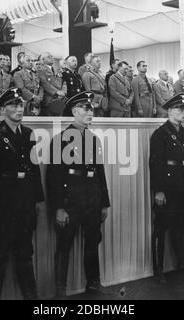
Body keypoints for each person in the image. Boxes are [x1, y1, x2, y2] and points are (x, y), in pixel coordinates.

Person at [0, 88, 44, 300]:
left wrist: (38, 198)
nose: (19, 109)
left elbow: (34, 169)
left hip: (25, 199)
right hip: (3, 200)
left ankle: (31, 298)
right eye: (13, 105)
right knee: (0, 253)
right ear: (3, 109)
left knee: (26, 252)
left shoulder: (28, 134)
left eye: (20, 105)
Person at [47, 91, 111, 298]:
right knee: (64, 244)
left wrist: (104, 203)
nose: (90, 111)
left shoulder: (94, 139)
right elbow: (54, 177)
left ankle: (93, 283)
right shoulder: (61, 139)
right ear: (74, 111)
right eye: (85, 108)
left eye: (91, 108)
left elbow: (100, 172)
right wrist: (59, 207)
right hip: (71, 200)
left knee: (93, 241)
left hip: (92, 199)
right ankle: (60, 290)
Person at [149, 93, 184, 284]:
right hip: (167, 188)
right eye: (179, 109)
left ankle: (183, 263)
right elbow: (155, 163)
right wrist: (158, 190)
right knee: (161, 228)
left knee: (180, 226)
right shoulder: (160, 134)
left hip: (182, 186)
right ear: (169, 111)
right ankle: (158, 269)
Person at [37, 52, 66, 116]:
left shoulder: (56, 69)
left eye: (52, 56)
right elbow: (44, 83)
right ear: (43, 60)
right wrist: (57, 92)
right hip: (49, 99)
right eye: (49, 57)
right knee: (49, 121)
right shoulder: (40, 70)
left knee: (59, 122)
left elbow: (63, 81)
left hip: (60, 99)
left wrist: (64, 91)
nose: (52, 58)